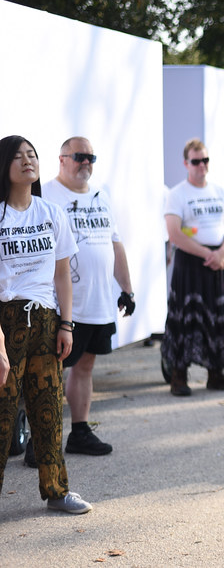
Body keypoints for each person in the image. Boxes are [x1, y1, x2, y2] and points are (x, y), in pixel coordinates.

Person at [0, 135, 92, 514]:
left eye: (32, 154)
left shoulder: (51, 212)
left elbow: (62, 277)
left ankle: (57, 490)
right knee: (3, 414)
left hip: (45, 320)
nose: (28, 160)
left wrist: (66, 325)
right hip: (5, 322)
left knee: (49, 407)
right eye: (19, 155)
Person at [40, 136, 134, 458]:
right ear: (62, 159)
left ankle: (79, 432)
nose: (86, 163)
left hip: (98, 302)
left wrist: (127, 288)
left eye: (91, 158)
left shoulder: (101, 196)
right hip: (63, 304)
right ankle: (42, 440)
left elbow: (115, 244)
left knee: (85, 367)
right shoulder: (46, 194)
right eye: (79, 156)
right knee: (51, 371)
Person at [163, 138, 224, 396]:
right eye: (196, 161)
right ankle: (178, 376)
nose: (201, 166)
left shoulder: (219, 191)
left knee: (217, 318)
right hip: (190, 263)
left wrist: (222, 252)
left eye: (205, 160)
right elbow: (174, 234)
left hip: (216, 263)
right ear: (186, 163)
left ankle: (216, 374)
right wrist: (209, 253)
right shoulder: (177, 194)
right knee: (185, 319)